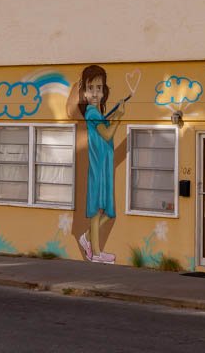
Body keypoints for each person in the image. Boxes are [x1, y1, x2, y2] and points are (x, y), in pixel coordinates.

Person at [75, 65, 116, 263]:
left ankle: (87, 238)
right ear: (84, 91)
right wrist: (120, 117)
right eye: (91, 88)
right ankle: (97, 253)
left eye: (99, 88)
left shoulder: (99, 114)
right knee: (97, 211)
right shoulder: (91, 112)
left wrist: (113, 116)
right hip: (98, 166)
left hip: (105, 166)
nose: (95, 93)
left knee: (108, 211)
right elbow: (107, 134)